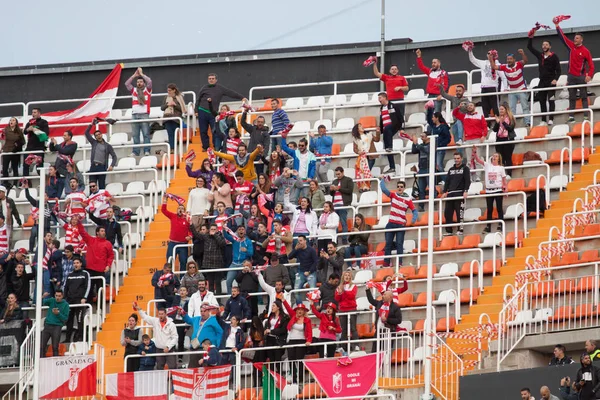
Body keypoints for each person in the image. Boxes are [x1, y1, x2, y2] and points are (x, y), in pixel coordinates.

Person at [195, 73, 247, 151]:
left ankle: (215, 146)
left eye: (213, 78)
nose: (211, 80)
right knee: (203, 130)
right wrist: (196, 110)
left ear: (216, 80)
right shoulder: (204, 88)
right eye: (209, 78)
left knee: (215, 130)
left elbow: (230, 92)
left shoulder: (220, 88)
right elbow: (198, 99)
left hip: (213, 113)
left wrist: (241, 97)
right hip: (202, 111)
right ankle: (205, 147)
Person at [554, 21, 594, 122]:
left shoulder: (586, 51)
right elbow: (563, 38)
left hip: (581, 77)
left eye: (577, 38)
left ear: (581, 40)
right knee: (572, 97)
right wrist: (557, 26)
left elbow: (591, 65)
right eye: (574, 38)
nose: (574, 40)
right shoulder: (571, 46)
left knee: (584, 97)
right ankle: (571, 117)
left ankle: (586, 117)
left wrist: (589, 75)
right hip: (571, 77)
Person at [379, 179, 418, 267]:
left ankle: (400, 263)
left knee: (399, 244)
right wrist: (382, 180)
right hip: (391, 223)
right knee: (388, 244)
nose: (399, 188)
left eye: (401, 187)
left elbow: (415, 211)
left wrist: (413, 220)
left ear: (404, 188)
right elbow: (384, 190)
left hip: (400, 224)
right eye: (398, 186)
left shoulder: (408, 199)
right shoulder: (393, 195)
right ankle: (386, 263)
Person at [489, 49, 531, 126]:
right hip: (511, 90)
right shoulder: (504, 67)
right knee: (511, 109)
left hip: (521, 88)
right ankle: (512, 124)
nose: (509, 60)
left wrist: (523, 54)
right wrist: (491, 58)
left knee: (525, 107)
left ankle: (527, 122)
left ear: (514, 59)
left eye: (510, 59)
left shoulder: (519, 64)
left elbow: (525, 61)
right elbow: (494, 66)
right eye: (508, 59)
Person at [527, 33, 561, 125]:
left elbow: (559, 70)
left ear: (550, 46)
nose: (544, 46)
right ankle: (543, 120)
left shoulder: (554, 57)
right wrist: (531, 36)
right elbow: (529, 47)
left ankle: (551, 119)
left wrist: (555, 79)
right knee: (542, 100)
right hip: (542, 81)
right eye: (543, 45)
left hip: (551, 81)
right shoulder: (540, 55)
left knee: (551, 100)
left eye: (546, 45)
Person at [134, 303, 178, 370]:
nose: (160, 316)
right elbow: (145, 317)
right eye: (159, 314)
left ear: (166, 314)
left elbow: (175, 338)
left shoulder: (172, 324)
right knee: (159, 367)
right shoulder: (155, 321)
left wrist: (168, 347)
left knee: (173, 367)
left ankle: (172, 380)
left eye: (162, 314)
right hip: (159, 349)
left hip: (170, 349)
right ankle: (161, 380)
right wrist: (138, 308)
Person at [472, 151, 507, 234]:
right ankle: (488, 226)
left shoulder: (501, 168)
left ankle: (500, 225)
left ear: (499, 159)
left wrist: (505, 189)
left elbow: (504, 180)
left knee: (499, 208)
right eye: (493, 156)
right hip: (489, 190)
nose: (494, 157)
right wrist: (475, 154)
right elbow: (478, 160)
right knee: (489, 209)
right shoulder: (488, 166)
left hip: (498, 190)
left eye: (496, 156)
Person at [78, 223, 114, 302]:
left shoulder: (108, 243)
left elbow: (111, 256)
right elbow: (82, 232)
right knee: (89, 290)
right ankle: (88, 309)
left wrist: (108, 265)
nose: (104, 232)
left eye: (104, 231)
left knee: (100, 290)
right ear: (97, 232)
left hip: (100, 270)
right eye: (102, 231)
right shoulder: (91, 240)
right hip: (89, 269)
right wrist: (78, 222)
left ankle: (101, 309)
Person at [452, 102, 488, 182]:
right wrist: (459, 107)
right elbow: (455, 113)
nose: (469, 107)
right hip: (468, 140)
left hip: (477, 139)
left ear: (474, 107)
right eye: (468, 106)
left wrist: (484, 136)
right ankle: (469, 178)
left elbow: (485, 127)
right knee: (469, 160)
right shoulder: (464, 116)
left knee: (477, 159)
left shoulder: (480, 116)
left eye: (471, 105)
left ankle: (478, 176)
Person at [466, 47, 501, 122]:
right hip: (484, 87)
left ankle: (499, 123)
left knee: (495, 107)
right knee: (485, 107)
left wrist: (505, 87)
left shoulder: (497, 63)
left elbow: (503, 76)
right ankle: (487, 124)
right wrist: (470, 50)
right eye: (488, 53)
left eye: (490, 53)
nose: (489, 55)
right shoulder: (483, 62)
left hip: (493, 87)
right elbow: (473, 59)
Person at [182, 303, 223, 368]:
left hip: (206, 348)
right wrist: (183, 314)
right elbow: (189, 320)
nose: (202, 313)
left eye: (204, 311)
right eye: (201, 311)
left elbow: (220, 332)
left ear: (209, 311)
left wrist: (217, 345)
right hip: (195, 347)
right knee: (193, 367)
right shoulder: (197, 319)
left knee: (205, 367)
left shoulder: (213, 320)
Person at [282, 300, 312, 383]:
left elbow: (309, 332)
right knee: (291, 359)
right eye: (298, 309)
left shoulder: (307, 320)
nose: (300, 311)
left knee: (300, 360)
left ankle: (301, 379)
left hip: (301, 341)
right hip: (291, 340)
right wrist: (283, 300)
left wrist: (309, 340)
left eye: (302, 309)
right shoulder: (293, 316)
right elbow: (288, 308)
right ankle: (294, 379)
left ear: (304, 311)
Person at [125, 67, 153, 157]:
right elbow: (127, 83)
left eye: (141, 82)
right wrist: (134, 75)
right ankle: (136, 151)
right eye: (138, 82)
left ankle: (147, 150)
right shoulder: (133, 90)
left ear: (143, 83)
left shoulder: (147, 90)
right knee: (135, 135)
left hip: (144, 114)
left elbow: (150, 82)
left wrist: (142, 75)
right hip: (134, 114)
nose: (139, 83)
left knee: (146, 134)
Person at [442, 153, 470, 236]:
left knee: (459, 213)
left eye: (458, 158)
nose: (456, 160)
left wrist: (466, 190)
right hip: (450, 194)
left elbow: (467, 180)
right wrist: (444, 192)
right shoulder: (451, 170)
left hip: (460, 193)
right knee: (447, 213)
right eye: (455, 158)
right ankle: (449, 231)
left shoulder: (465, 168)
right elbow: (447, 181)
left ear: (461, 158)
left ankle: (460, 230)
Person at [161, 195, 191, 271]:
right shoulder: (173, 216)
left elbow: (191, 230)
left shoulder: (187, 219)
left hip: (183, 244)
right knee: (169, 261)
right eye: (179, 208)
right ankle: (169, 277)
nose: (180, 210)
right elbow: (164, 210)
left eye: (182, 209)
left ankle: (182, 279)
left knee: (184, 261)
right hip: (172, 243)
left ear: (184, 211)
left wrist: (190, 236)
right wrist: (165, 201)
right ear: (177, 210)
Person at [64, 256, 90, 342]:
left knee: (80, 320)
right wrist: (65, 299)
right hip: (70, 301)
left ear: (81, 264)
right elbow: (66, 288)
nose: (75, 264)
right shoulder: (70, 275)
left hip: (80, 301)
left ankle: (81, 338)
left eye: (77, 263)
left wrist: (84, 298)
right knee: (69, 321)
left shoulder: (85, 273)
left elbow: (88, 286)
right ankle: (67, 339)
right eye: (74, 263)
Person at [85, 119, 117, 189]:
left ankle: (102, 199)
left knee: (101, 186)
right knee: (92, 186)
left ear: (101, 135)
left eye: (99, 134)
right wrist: (91, 124)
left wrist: (112, 165)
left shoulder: (108, 146)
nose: (98, 136)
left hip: (102, 167)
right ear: (95, 137)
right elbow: (86, 133)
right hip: (93, 166)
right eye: (96, 135)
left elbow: (114, 156)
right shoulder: (94, 143)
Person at [195, 224, 226, 296]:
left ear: (217, 230)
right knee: (210, 284)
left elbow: (222, 244)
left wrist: (215, 235)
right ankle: (211, 301)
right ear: (209, 230)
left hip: (218, 264)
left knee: (218, 283)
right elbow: (196, 234)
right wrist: (191, 224)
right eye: (211, 229)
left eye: (214, 229)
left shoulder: (220, 236)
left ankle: (218, 301)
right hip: (208, 264)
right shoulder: (206, 237)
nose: (213, 231)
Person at [378, 92, 404, 174]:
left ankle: (389, 147)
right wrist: (380, 129)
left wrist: (401, 128)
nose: (379, 100)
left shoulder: (393, 106)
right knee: (387, 147)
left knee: (388, 128)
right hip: (386, 129)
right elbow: (381, 119)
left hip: (394, 126)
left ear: (385, 97)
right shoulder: (381, 108)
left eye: (380, 98)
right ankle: (392, 166)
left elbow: (400, 117)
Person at [438, 84, 467, 156]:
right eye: (457, 91)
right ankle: (460, 158)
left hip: (463, 123)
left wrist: (462, 107)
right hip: (454, 123)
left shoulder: (466, 101)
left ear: (463, 91)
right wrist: (440, 87)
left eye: (459, 91)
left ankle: (460, 139)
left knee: (459, 122)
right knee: (458, 144)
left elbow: (467, 109)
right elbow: (444, 94)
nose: (458, 92)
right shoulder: (454, 98)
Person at [223, 226, 254, 295]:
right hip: (234, 264)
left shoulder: (248, 242)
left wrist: (246, 250)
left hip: (243, 264)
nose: (241, 231)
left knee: (241, 282)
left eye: (242, 229)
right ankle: (230, 297)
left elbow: (251, 253)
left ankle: (241, 298)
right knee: (228, 281)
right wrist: (224, 228)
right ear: (237, 232)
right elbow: (226, 236)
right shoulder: (234, 239)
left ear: (245, 232)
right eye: (239, 229)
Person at [425, 100, 451, 178]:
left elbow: (448, 138)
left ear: (437, 118)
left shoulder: (443, 127)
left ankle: (445, 180)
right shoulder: (433, 126)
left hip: (440, 148)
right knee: (434, 165)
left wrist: (440, 144)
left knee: (439, 165)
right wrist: (430, 109)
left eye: (433, 117)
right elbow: (429, 119)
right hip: (433, 148)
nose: (432, 119)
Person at [288, 235, 318, 305]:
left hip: (311, 272)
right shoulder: (298, 250)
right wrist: (295, 249)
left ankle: (313, 308)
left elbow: (316, 262)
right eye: (298, 241)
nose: (299, 243)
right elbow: (289, 257)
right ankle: (300, 307)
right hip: (301, 272)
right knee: (295, 291)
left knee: (313, 291)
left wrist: (309, 271)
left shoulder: (312, 250)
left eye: (301, 241)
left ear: (305, 241)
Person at [23, 108, 49, 183]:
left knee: (39, 165)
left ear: (39, 113)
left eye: (35, 112)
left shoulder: (44, 122)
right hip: (29, 147)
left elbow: (46, 133)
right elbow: (24, 132)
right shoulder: (30, 122)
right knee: (25, 165)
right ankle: (26, 183)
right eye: (32, 112)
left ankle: (43, 183)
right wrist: (28, 129)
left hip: (39, 147)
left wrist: (36, 130)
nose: (33, 114)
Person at [41, 290, 69, 357]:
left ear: (62, 296)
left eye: (59, 296)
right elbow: (41, 303)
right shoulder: (52, 300)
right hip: (48, 324)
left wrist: (58, 314)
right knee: (42, 345)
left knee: (55, 346)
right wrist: (42, 297)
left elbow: (65, 319)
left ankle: (55, 363)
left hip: (57, 326)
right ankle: (41, 362)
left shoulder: (66, 305)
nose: (57, 297)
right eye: (56, 296)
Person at [329, 167, 354, 245]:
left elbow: (350, 190)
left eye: (339, 174)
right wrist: (331, 190)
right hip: (334, 205)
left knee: (343, 222)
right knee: (335, 223)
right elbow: (331, 194)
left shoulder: (348, 180)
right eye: (336, 174)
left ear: (343, 172)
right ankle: (334, 240)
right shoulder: (335, 181)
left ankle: (344, 240)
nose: (338, 176)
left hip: (343, 204)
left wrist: (338, 189)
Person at [411, 132, 434, 211]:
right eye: (421, 136)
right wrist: (414, 144)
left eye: (423, 136)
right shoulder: (421, 145)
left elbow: (427, 150)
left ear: (428, 137)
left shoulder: (432, 144)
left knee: (431, 187)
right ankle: (421, 206)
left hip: (429, 168)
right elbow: (414, 151)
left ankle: (433, 203)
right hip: (422, 169)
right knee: (421, 189)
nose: (421, 138)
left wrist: (416, 144)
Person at [351, 123, 378, 191]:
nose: (362, 127)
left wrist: (378, 132)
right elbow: (355, 149)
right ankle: (364, 187)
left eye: (361, 125)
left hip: (370, 155)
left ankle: (366, 186)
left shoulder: (369, 134)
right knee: (362, 172)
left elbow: (377, 139)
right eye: (360, 126)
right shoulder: (356, 139)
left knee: (366, 171)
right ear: (357, 129)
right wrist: (358, 152)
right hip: (362, 157)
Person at [336, 271, 358, 349]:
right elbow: (337, 299)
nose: (347, 277)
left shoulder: (353, 286)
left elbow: (352, 296)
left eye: (349, 275)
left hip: (351, 309)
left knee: (353, 328)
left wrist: (344, 291)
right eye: (346, 275)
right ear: (343, 276)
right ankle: (343, 347)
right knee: (344, 329)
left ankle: (356, 345)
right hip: (342, 310)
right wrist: (339, 293)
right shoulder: (339, 286)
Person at [161, 83, 187, 153]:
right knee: (170, 133)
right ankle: (172, 148)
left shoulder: (179, 97)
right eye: (168, 90)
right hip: (167, 118)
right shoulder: (166, 97)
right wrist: (167, 104)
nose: (168, 92)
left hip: (176, 119)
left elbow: (182, 109)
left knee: (175, 133)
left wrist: (175, 105)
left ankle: (174, 147)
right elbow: (162, 108)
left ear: (174, 90)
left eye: (170, 90)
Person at [1, 117, 25, 189]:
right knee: (5, 168)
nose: (11, 121)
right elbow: (6, 137)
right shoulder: (6, 130)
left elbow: (23, 141)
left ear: (16, 122)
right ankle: (5, 183)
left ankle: (15, 184)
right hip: (7, 150)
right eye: (10, 120)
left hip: (15, 151)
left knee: (15, 168)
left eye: (13, 120)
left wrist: (18, 144)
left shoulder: (19, 131)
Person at [493, 103, 516, 168]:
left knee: (508, 158)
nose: (501, 111)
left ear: (506, 110)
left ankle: (509, 173)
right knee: (500, 159)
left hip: (508, 140)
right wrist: (498, 123)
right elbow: (494, 130)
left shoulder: (510, 118)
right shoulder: (499, 118)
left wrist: (503, 122)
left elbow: (510, 128)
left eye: (502, 109)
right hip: (499, 139)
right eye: (500, 109)